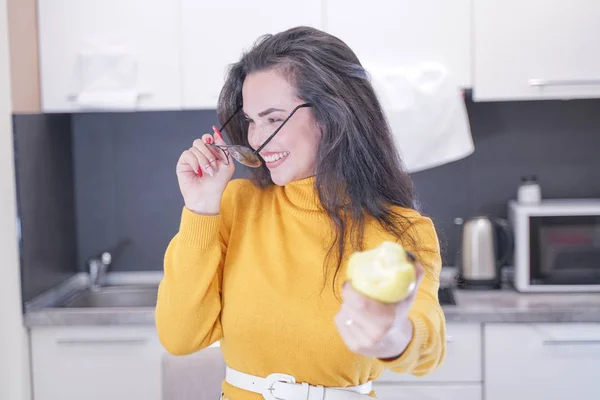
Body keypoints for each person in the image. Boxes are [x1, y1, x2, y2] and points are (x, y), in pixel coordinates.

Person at [155, 26, 447, 400]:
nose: (256, 139)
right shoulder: (232, 206)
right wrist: (199, 209)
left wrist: (394, 336)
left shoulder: (402, 230)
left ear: (332, 114)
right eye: (250, 120)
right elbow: (180, 337)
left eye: (274, 119)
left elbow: (430, 340)